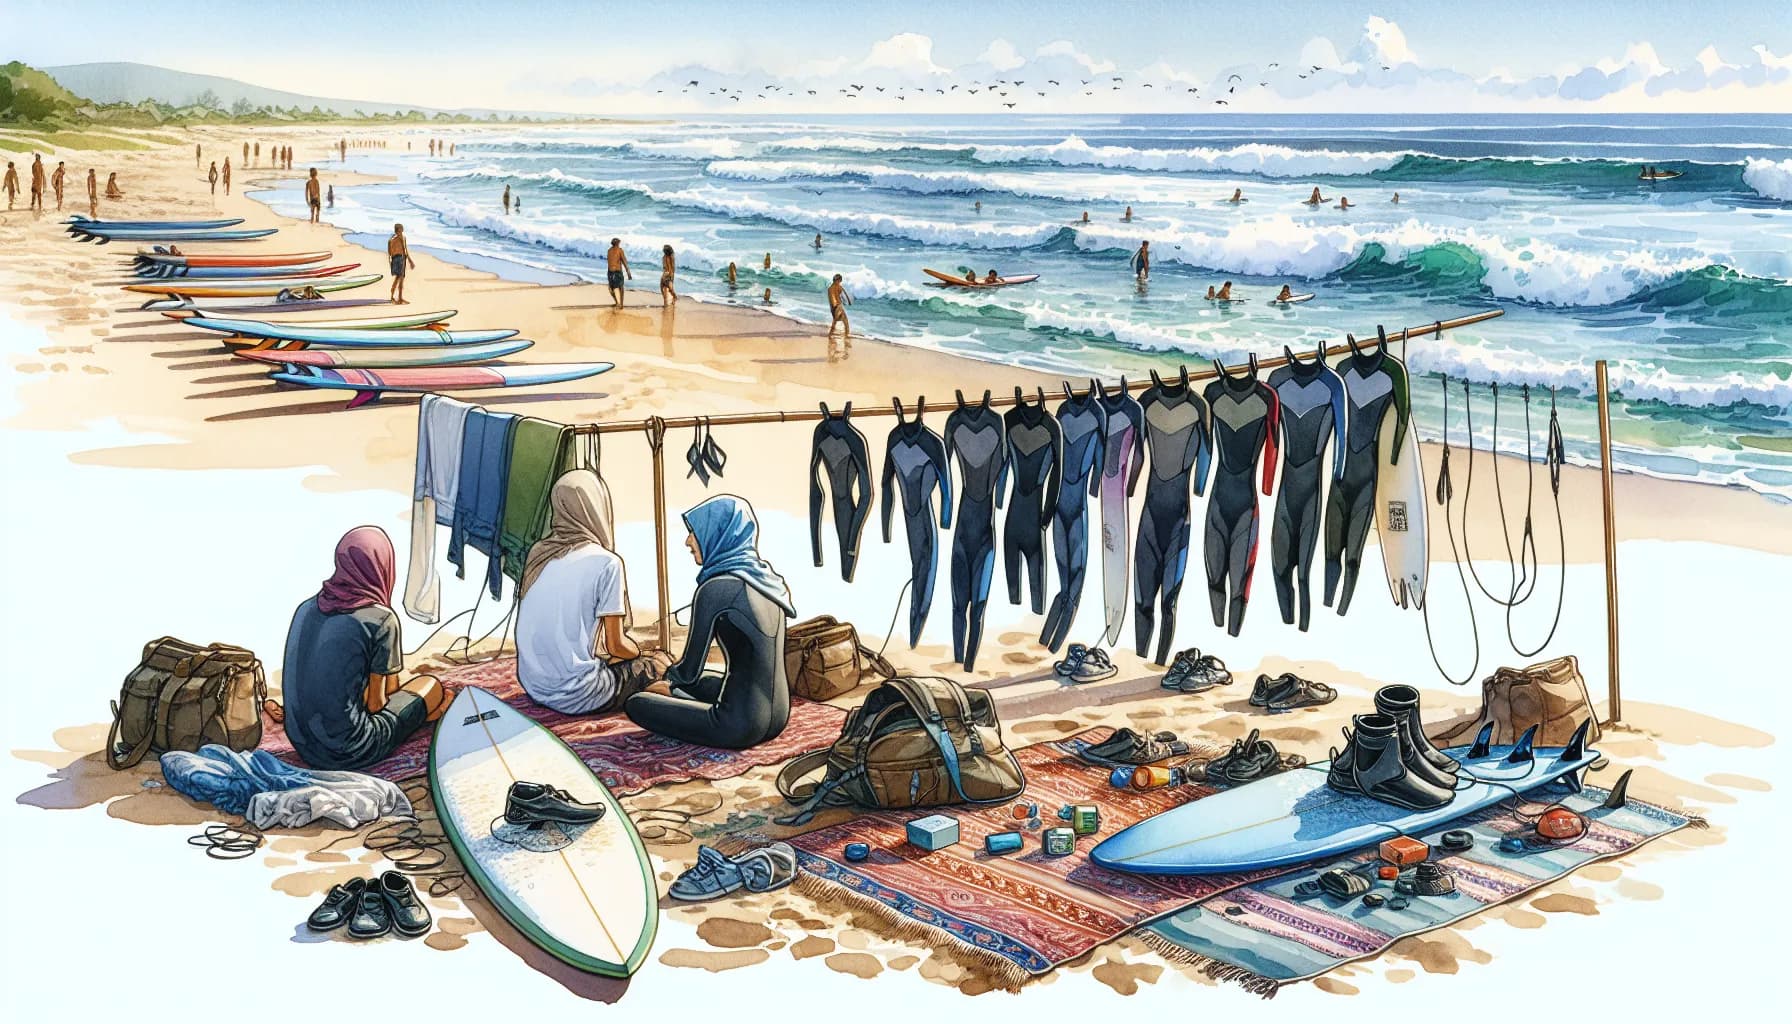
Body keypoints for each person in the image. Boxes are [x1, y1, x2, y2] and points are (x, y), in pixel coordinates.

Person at [623, 495, 795, 749]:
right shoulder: (768, 583)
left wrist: (666, 681)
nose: (688, 541)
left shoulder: (715, 589)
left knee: (637, 702)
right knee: (709, 680)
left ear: (717, 533)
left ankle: (678, 700)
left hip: (736, 727)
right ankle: (683, 699)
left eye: (694, 532)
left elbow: (688, 672)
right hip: (778, 717)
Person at [274, 526, 448, 771]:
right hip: (350, 750)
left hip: (303, 743)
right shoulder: (381, 619)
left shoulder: (306, 608)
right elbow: (377, 705)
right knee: (431, 685)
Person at [517, 471, 670, 715]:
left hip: (535, 686)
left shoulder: (539, 554)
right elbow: (616, 645)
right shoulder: (607, 563)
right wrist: (644, 655)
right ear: (597, 508)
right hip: (579, 694)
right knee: (660, 665)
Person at [387, 223, 415, 304]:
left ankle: (400, 298)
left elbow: (405, 250)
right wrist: (390, 263)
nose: (400, 232)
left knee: (401, 279)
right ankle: (392, 296)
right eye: (399, 231)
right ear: (396, 231)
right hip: (396, 259)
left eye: (401, 231)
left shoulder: (403, 238)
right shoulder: (391, 240)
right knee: (398, 278)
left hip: (402, 259)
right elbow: (389, 253)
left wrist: (410, 260)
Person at [606, 237, 631, 307]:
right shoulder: (620, 250)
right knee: (621, 288)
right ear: (618, 244)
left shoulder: (609, 251)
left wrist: (609, 274)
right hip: (617, 272)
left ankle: (617, 302)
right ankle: (621, 304)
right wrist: (628, 273)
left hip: (610, 272)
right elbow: (624, 262)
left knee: (611, 288)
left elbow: (609, 262)